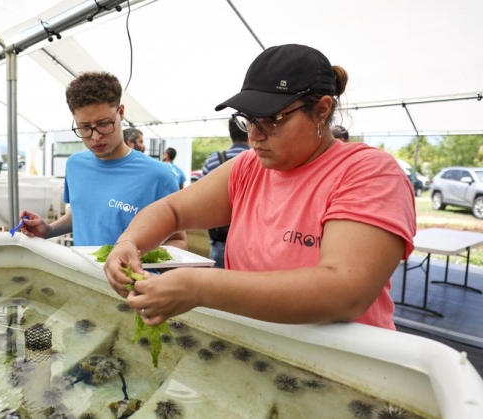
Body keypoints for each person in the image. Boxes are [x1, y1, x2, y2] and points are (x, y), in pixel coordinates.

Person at [103, 44, 416, 330]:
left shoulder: (369, 173)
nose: (254, 135)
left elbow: (344, 293)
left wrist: (198, 287)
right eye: (248, 119)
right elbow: (172, 209)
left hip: (343, 364)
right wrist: (129, 243)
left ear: (321, 109)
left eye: (272, 119)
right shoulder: (248, 167)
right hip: (259, 348)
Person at [19, 71, 186, 248]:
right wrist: (49, 230)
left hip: (133, 276)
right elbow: (83, 212)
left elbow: (177, 242)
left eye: (104, 124)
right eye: (84, 127)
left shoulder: (159, 176)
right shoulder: (75, 165)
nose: (96, 137)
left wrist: (135, 259)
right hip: (78, 274)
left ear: (121, 112)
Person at [201, 117, 250, 268]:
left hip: (220, 237)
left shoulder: (213, 159)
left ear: (230, 133)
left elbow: (202, 196)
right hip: (251, 239)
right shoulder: (264, 160)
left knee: (217, 285)